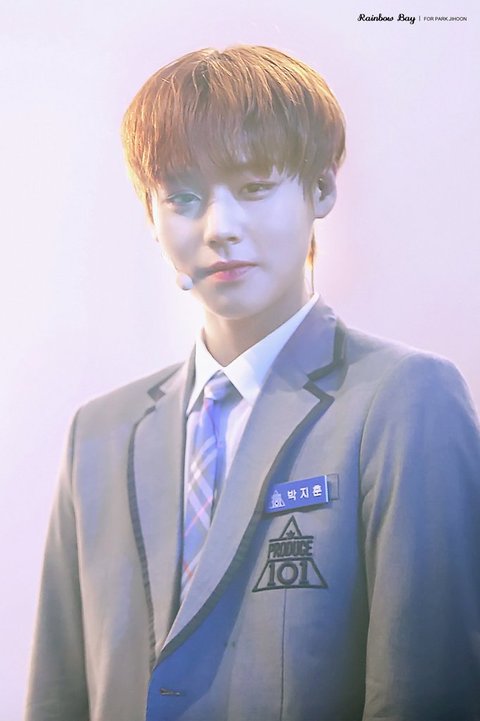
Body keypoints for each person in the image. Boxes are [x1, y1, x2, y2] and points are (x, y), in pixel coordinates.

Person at [25, 45, 480, 721]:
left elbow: (427, 694)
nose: (219, 229)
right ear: (150, 215)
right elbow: (56, 696)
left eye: (255, 187)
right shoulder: (98, 434)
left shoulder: (404, 401)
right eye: (182, 197)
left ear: (321, 188)